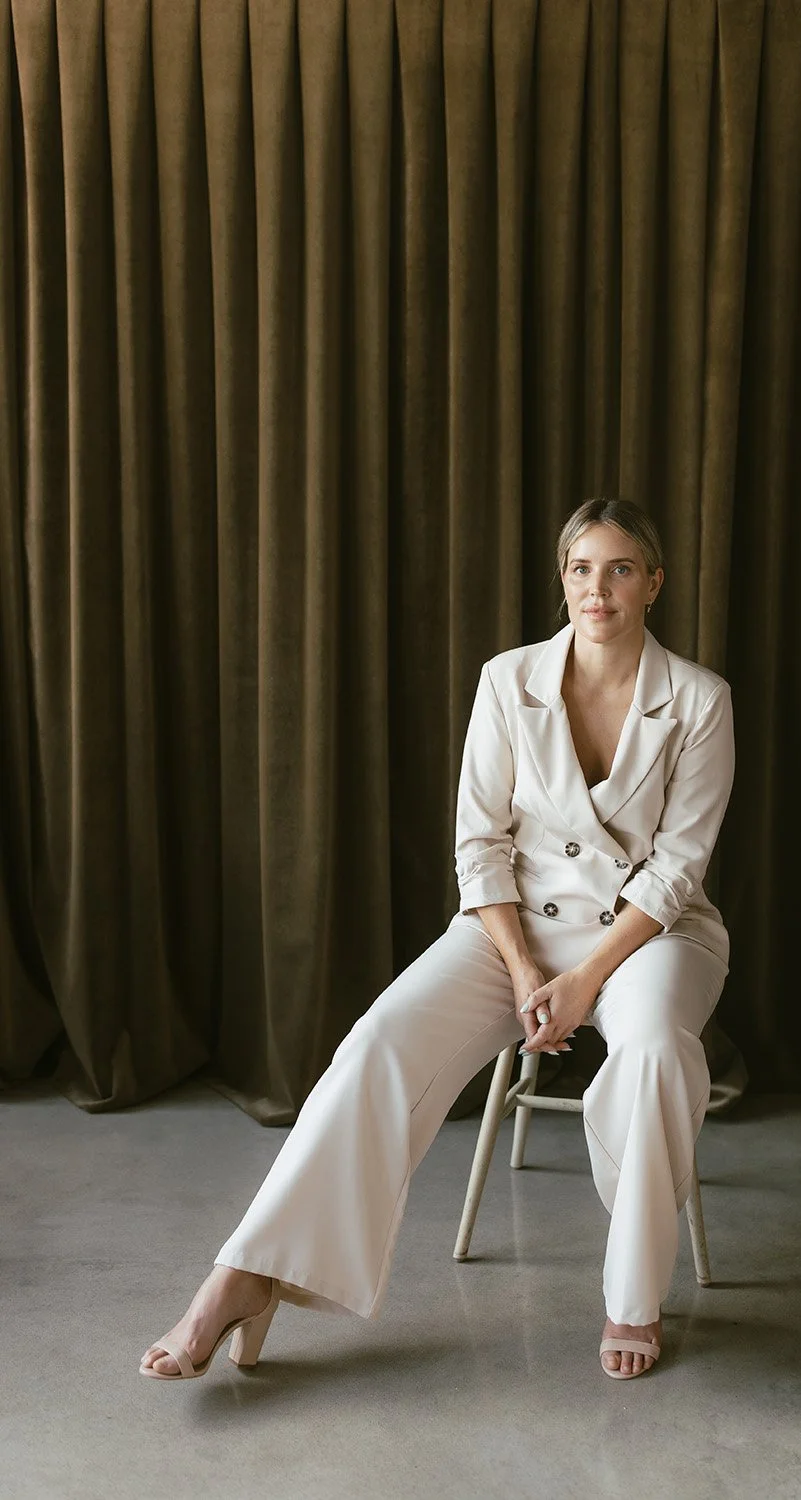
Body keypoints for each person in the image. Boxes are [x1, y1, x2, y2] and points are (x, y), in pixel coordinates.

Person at [140, 498, 735, 1383]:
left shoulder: (699, 699)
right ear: (562, 578)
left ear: (653, 580)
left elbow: (676, 868)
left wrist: (583, 984)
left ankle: (633, 1298)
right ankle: (244, 1275)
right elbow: (479, 844)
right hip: (513, 929)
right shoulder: (509, 680)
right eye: (580, 568)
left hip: (651, 939)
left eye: (618, 569)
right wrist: (529, 965)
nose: (596, 589)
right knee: (378, 1042)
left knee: (652, 1050)